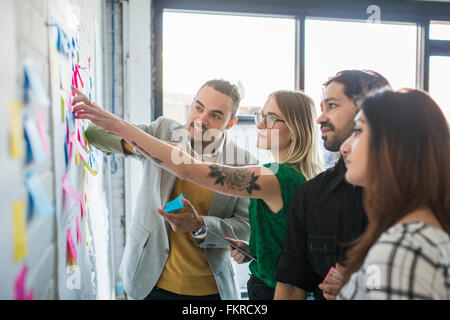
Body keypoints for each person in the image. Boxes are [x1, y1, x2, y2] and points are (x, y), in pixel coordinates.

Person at [72, 86, 323, 300]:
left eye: (270, 118)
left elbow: (190, 170)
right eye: (261, 115)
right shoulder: (284, 175)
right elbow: (283, 243)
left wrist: (121, 126)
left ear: (294, 129)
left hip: (260, 289)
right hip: (155, 281)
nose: (259, 123)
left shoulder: (273, 175)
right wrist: (251, 250)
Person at [81, 79, 257, 300]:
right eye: (198, 108)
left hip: (211, 291)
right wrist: (149, 149)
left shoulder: (244, 162)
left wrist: (201, 225)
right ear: (191, 104)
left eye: (215, 115)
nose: (201, 120)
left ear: (230, 123)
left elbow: (245, 227)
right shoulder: (163, 131)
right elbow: (94, 134)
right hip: (150, 282)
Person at [273, 70, 391, 300]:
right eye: (322, 107)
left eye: (332, 106)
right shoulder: (310, 194)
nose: (320, 118)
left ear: (370, 111)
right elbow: (291, 286)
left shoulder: (413, 196)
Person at [335, 89, 450, 299]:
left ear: (395, 145)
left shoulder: (403, 248)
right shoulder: (418, 238)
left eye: (358, 131)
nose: (345, 147)